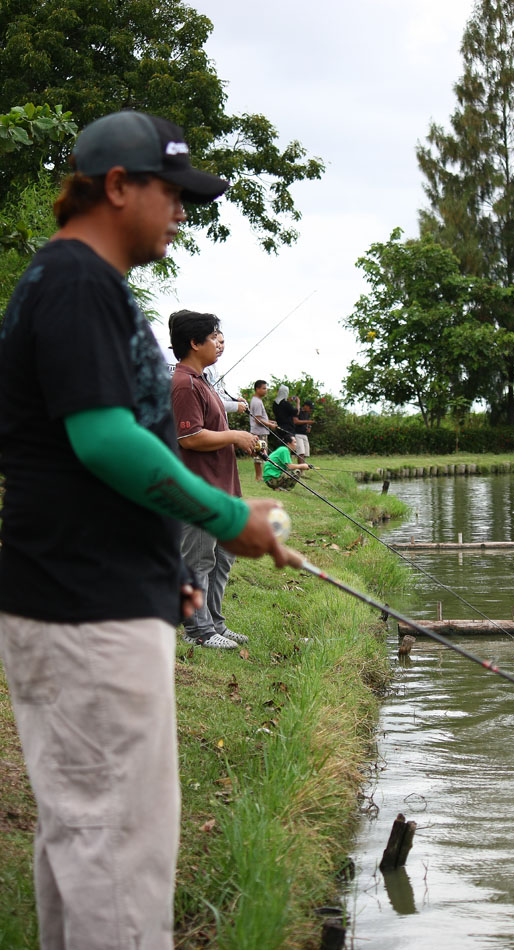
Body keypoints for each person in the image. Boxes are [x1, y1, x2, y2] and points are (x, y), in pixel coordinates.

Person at [0, 109, 291, 950]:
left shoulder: (81, 287)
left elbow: (75, 454)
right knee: (115, 855)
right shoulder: (75, 283)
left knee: (85, 842)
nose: (183, 211)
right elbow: (102, 439)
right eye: (172, 192)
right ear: (118, 186)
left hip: (92, 596)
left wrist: (161, 565)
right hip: (83, 610)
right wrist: (230, 516)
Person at [170, 310, 256, 649]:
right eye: (212, 338)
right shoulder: (184, 384)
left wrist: (240, 439)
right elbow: (189, 438)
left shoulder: (202, 381)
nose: (219, 344)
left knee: (223, 558)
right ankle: (199, 631)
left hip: (221, 487)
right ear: (194, 343)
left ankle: (215, 624)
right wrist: (235, 436)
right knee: (199, 561)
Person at [204, 329, 248, 415]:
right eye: (216, 343)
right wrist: (236, 406)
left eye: (222, 342)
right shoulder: (205, 369)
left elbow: (219, 394)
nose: (219, 346)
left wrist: (235, 399)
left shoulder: (213, 366)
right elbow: (211, 402)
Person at [249, 379, 278, 481]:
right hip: (258, 432)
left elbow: (260, 417)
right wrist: (269, 425)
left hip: (261, 431)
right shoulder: (257, 402)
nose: (266, 390)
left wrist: (270, 422)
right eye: (264, 388)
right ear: (257, 389)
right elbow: (257, 420)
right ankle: (258, 477)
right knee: (259, 453)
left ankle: (261, 476)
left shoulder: (257, 400)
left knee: (262, 453)